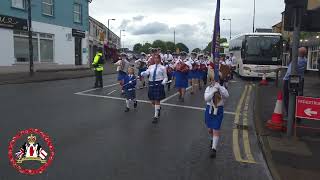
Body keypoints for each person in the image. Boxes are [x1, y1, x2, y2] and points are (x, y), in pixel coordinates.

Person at [204, 72, 229, 158]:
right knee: (210, 129)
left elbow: (227, 96)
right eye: (212, 79)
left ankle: (214, 149)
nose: (213, 81)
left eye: (215, 79)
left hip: (219, 110)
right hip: (209, 110)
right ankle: (212, 139)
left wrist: (219, 88)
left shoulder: (222, 88)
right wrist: (213, 91)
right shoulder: (208, 88)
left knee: (216, 129)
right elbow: (206, 98)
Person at [141, 54, 168, 123]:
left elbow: (165, 77)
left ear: (159, 59)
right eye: (154, 58)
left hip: (159, 83)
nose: (156, 59)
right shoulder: (150, 66)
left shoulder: (163, 67)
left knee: (157, 100)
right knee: (152, 100)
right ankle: (158, 108)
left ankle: (156, 116)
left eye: (157, 58)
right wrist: (143, 73)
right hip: (151, 83)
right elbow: (147, 72)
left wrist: (164, 81)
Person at [283, 47, 308, 115]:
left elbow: (290, 72)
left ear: (298, 52)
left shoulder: (296, 60)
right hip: (300, 80)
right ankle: (297, 114)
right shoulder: (305, 60)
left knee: (287, 97)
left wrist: (284, 79)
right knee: (298, 97)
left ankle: (289, 114)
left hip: (290, 79)